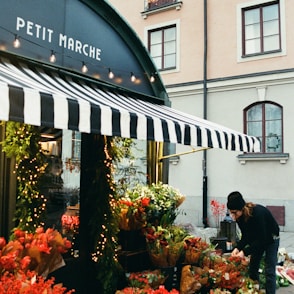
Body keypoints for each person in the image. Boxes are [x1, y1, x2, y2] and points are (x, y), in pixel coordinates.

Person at [227, 191, 280, 294]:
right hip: (258, 239)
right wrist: (238, 248)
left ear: (241, 209)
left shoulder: (257, 214)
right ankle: (254, 291)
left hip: (271, 239)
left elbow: (263, 240)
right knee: (253, 269)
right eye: (231, 212)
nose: (233, 216)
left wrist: (244, 252)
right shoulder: (239, 217)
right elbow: (246, 236)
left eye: (234, 212)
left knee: (269, 271)